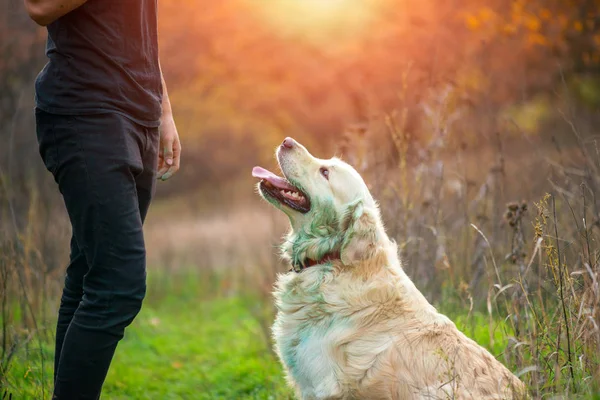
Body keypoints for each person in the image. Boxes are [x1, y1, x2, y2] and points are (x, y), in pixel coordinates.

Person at [23, 0, 181, 398]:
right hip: (86, 110)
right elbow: (38, 6)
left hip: (138, 114)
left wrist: (164, 111)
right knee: (118, 284)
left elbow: (138, 30)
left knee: (88, 273)